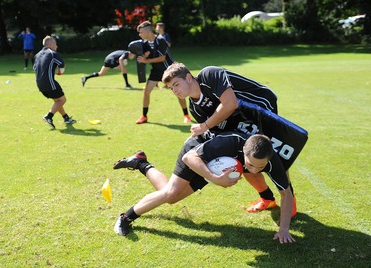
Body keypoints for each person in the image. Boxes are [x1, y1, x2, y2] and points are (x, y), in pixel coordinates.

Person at [112, 132, 299, 244]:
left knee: (170, 194)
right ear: (243, 151)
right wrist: (215, 179)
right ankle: (126, 217)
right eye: (250, 165)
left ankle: (141, 163)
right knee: (169, 194)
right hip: (195, 153)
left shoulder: (271, 161)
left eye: (261, 166)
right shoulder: (230, 142)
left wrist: (283, 229)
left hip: (214, 166)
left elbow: (286, 193)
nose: (255, 170)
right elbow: (190, 158)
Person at [162, 62, 295, 215]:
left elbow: (230, 103)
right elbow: (219, 130)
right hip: (241, 119)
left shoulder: (209, 75)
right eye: (171, 88)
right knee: (243, 153)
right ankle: (267, 198)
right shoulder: (195, 108)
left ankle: (289, 198)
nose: (175, 91)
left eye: (176, 84)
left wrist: (204, 126)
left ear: (188, 77)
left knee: (273, 154)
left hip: (262, 107)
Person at [135, 21, 191, 124]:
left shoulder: (160, 40)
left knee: (178, 93)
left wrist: (146, 61)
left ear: (147, 31)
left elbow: (162, 57)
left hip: (168, 70)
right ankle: (144, 116)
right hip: (156, 70)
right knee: (146, 92)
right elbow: (147, 55)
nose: (140, 34)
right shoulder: (145, 43)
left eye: (141, 32)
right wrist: (145, 56)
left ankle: (186, 115)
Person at [33, 36, 76, 129]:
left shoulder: (37, 55)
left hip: (39, 83)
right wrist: (60, 71)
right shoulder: (53, 53)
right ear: (51, 44)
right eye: (56, 44)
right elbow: (62, 65)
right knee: (62, 100)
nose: (57, 46)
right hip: (49, 82)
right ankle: (49, 116)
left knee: (57, 100)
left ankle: (66, 118)